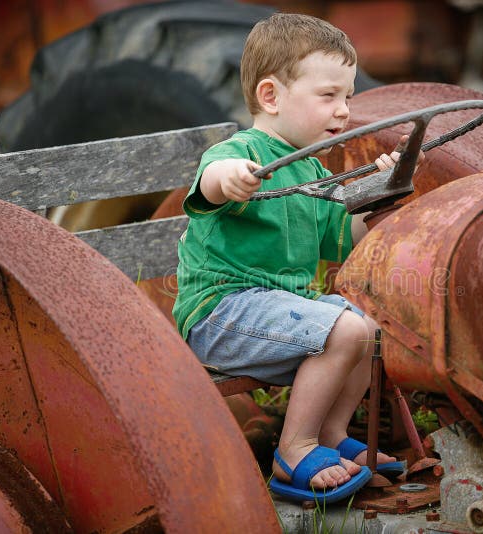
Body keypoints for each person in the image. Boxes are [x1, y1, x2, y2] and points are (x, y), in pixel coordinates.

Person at [172, 12, 412, 502]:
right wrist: (232, 178)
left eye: (346, 96)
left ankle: (330, 434)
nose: (344, 111)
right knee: (342, 329)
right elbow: (213, 185)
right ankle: (293, 450)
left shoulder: (313, 172)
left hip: (278, 312)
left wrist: (383, 194)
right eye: (329, 96)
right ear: (270, 96)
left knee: (368, 326)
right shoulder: (244, 154)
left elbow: (346, 240)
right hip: (221, 314)